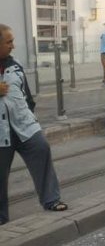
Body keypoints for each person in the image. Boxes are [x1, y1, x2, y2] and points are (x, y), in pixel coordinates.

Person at [0, 24, 66, 224]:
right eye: (8, 41)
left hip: (24, 125)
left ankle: (51, 199)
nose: (13, 45)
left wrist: (29, 112)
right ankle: (2, 218)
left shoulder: (14, 64)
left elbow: (26, 94)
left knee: (41, 148)